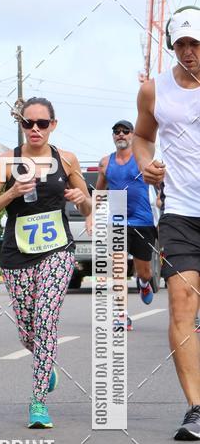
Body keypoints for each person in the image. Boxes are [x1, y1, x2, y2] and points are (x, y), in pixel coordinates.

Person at [0, 97, 91, 428]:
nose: (35, 130)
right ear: (22, 125)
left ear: (53, 125)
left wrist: (82, 199)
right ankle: (47, 365)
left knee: (45, 323)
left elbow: (88, 206)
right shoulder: (7, 161)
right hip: (17, 255)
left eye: (42, 123)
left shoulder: (66, 160)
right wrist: (11, 193)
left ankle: (38, 402)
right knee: (28, 332)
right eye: (29, 124)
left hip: (57, 252)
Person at [134, 5, 200, 439]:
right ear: (171, 46)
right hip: (178, 213)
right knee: (180, 306)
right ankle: (196, 408)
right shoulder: (154, 90)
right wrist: (146, 165)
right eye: (181, 45)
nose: (189, 52)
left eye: (196, 44)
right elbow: (143, 137)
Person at [89, 119, 159, 331]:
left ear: (132, 135)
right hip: (117, 220)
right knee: (118, 267)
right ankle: (121, 314)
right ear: (113, 136)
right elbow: (99, 193)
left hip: (143, 220)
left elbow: (159, 184)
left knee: (144, 271)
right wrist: (92, 214)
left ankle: (144, 283)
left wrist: (162, 201)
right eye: (116, 132)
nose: (121, 134)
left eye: (125, 131)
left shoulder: (142, 160)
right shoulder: (105, 163)